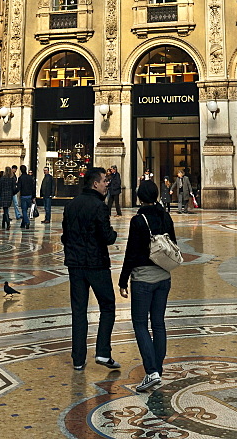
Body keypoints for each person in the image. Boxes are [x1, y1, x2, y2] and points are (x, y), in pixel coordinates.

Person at [119, 180, 176, 393]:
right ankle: (157, 370)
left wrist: (123, 280)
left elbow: (131, 253)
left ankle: (151, 371)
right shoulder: (165, 216)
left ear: (140, 196)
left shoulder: (138, 220)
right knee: (159, 323)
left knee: (140, 323)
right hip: (164, 276)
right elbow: (173, 244)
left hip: (143, 278)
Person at [61, 167, 119, 372]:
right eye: (104, 181)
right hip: (96, 264)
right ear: (95, 183)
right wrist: (114, 234)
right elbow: (106, 236)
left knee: (78, 310)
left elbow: (64, 236)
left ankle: (78, 358)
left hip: (75, 265)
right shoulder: (99, 206)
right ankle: (103, 350)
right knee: (108, 305)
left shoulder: (71, 205)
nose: (107, 184)